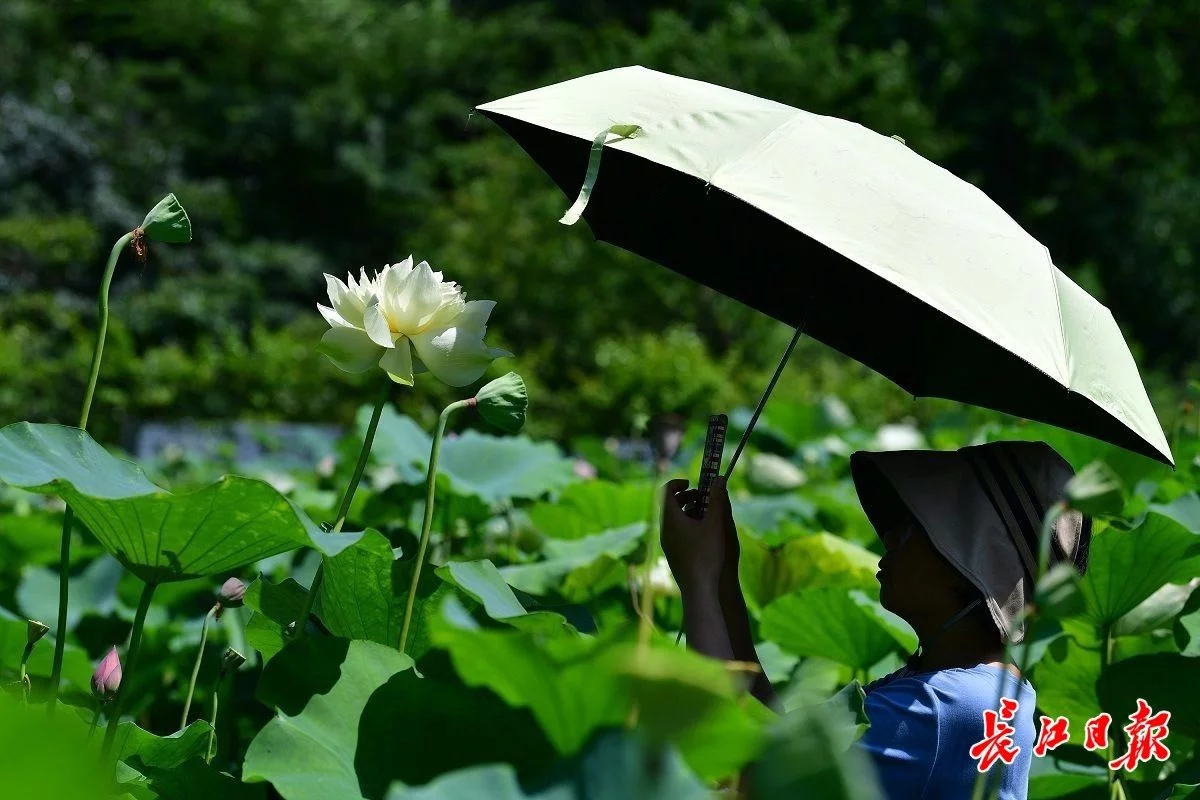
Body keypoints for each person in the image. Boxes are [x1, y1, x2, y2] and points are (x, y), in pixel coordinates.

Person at [660, 439, 1092, 800]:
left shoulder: (957, 708)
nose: (890, 538)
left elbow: (748, 772)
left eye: (916, 527)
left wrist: (697, 582)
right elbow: (777, 741)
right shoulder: (972, 689)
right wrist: (721, 578)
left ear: (969, 568)